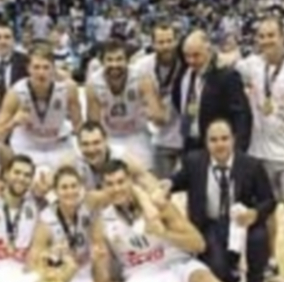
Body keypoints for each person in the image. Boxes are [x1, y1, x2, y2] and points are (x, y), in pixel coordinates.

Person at [97, 159, 277, 282]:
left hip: (175, 265)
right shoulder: (101, 221)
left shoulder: (159, 206)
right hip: (141, 275)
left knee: (204, 278)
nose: (116, 188)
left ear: (130, 182)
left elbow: (198, 243)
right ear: (103, 187)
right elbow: (101, 277)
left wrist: (163, 233)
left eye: (121, 182)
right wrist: (98, 261)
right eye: (110, 184)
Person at [165, 120, 276, 282]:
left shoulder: (251, 165)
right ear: (206, 142)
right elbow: (178, 180)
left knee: (259, 236)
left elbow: (269, 200)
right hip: (210, 225)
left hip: (241, 224)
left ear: (233, 140)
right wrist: (168, 183)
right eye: (214, 140)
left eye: (224, 139)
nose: (220, 144)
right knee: (218, 271)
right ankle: (228, 272)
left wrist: (254, 213)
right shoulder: (194, 162)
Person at [236, 16, 284, 282]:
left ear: (283, 37)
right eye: (262, 36)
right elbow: (226, 62)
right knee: (267, 211)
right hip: (260, 152)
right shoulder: (251, 65)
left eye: (271, 35)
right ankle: (270, 260)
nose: (266, 41)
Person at [0, 41, 82, 170]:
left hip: (57, 145)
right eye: (36, 67)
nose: (41, 73)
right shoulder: (16, 92)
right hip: (26, 146)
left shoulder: (68, 89)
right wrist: (13, 122)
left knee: (78, 156)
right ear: (28, 69)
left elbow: (79, 126)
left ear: (53, 68)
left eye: (46, 67)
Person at [31, 166, 113, 282]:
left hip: (88, 269)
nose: (70, 192)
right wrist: (52, 255)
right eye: (64, 187)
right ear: (55, 192)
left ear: (81, 188)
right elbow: (33, 263)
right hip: (65, 276)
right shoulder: (46, 221)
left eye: (74, 186)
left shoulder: (89, 203)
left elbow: (114, 193)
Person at [85, 39, 163, 169]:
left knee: (143, 171)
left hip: (137, 133)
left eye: (119, 59)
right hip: (109, 136)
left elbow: (158, 116)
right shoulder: (93, 84)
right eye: (109, 60)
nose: (114, 64)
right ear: (102, 62)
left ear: (127, 61)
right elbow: (94, 125)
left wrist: (154, 113)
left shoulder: (142, 78)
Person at [175, 30, 252, 152]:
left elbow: (241, 115)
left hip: (216, 144)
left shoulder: (226, 76)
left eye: (196, 55)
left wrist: (239, 150)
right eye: (187, 56)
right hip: (189, 142)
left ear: (208, 51)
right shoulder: (185, 74)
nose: (191, 60)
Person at [132, 20, 186, 178]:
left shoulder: (186, 63)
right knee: (161, 185)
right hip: (158, 138)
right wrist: (145, 109)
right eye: (161, 42)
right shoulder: (142, 67)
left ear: (176, 41)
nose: (166, 46)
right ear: (153, 44)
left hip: (186, 137)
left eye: (169, 41)